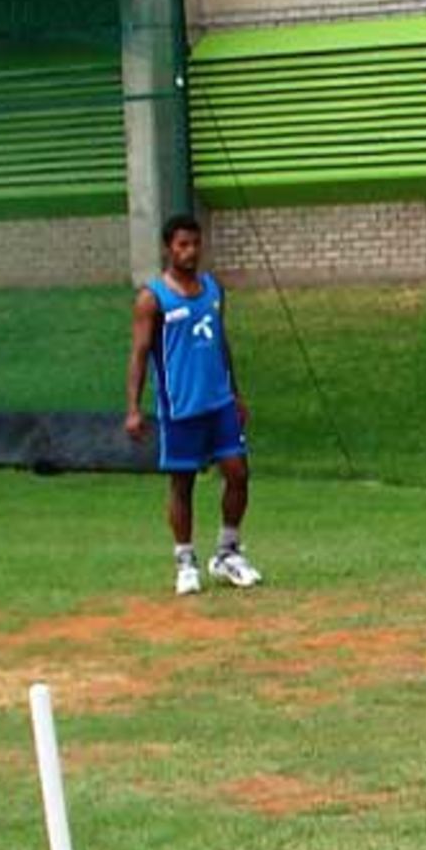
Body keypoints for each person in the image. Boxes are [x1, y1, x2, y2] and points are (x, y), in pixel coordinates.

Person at [125, 213, 262, 596]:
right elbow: (138, 354)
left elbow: (221, 343)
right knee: (182, 484)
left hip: (218, 403)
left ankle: (227, 552)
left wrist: (235, 392)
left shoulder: (214, 290)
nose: (190, 251)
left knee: (237, 472)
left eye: (195, 244)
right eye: (182, 244)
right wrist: (133, 408)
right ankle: (185, 560)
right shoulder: (153, 298)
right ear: (169, 248)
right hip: (181, 406)